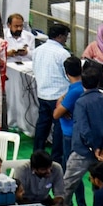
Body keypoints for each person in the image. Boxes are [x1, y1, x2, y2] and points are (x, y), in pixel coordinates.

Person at [64, 62, 103, 206]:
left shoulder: (81, 103)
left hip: (82, 152)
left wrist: (94, 147)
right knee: (102, 187)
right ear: (99, 83)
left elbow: (84, 129)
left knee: (68, 185)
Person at [32, 23, 71, 164]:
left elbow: (35, 69)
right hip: (59, 97)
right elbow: (68, 76)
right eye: (66, 37)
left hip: (42, 94)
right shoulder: (62, 53)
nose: (66, 40)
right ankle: (56, 160)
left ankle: (37, 155)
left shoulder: (38, 50)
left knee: (42, 126)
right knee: (59, 130)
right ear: (60, 36)